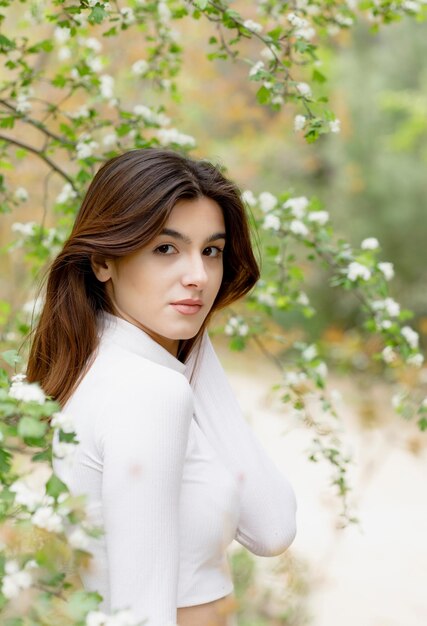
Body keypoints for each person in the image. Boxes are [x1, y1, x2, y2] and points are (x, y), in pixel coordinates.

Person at [27, 148, 297, 626]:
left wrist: (192, 339)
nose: (198, 277)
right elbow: (141, 614)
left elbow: (271, 527)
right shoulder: (150, 393)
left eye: (211, 251)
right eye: (166, 249)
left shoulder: (105, 369)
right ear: (104, 261)